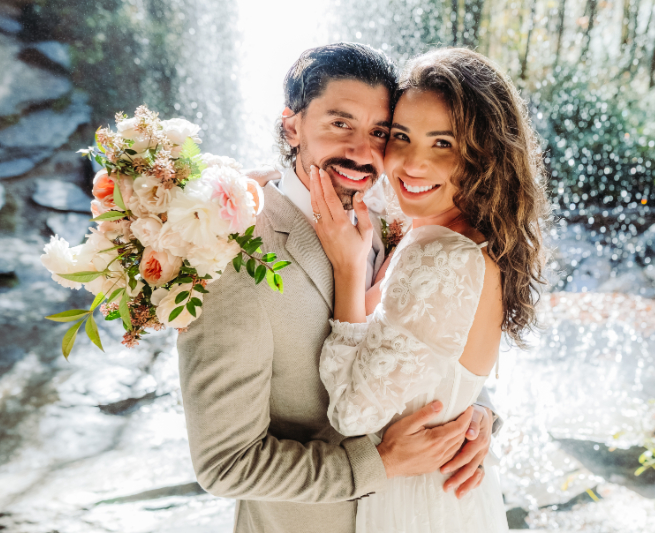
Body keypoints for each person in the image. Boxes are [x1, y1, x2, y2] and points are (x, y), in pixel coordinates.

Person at [177, 43, 500, 533]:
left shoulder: (399, 215)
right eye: (339, 124)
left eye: (378, 132)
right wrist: (380, 465)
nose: (361, 152)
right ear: (292, 126)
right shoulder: (231, 257)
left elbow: (429, 345)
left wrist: (473, 414)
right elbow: (224, 465)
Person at [310, 48, 550, 532]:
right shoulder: (464, 237)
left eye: (443, 143)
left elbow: (353, 414)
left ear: (486, 154)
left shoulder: (439, 255)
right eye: (401, 136)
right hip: (446, 496)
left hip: (416, 502)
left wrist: (348, 273)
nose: (412, 163)